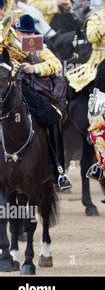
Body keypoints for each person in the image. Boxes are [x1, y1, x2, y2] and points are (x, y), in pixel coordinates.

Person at [8, 14, 72, 190]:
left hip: (26, 90)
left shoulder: (33, 45)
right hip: (6, 88)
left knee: (53, 116)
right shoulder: (5, 41)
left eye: (29, 34)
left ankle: (59, 170)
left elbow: (56, 64)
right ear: (15, 31)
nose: (25, 37)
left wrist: (34, 68)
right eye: (22, 33)